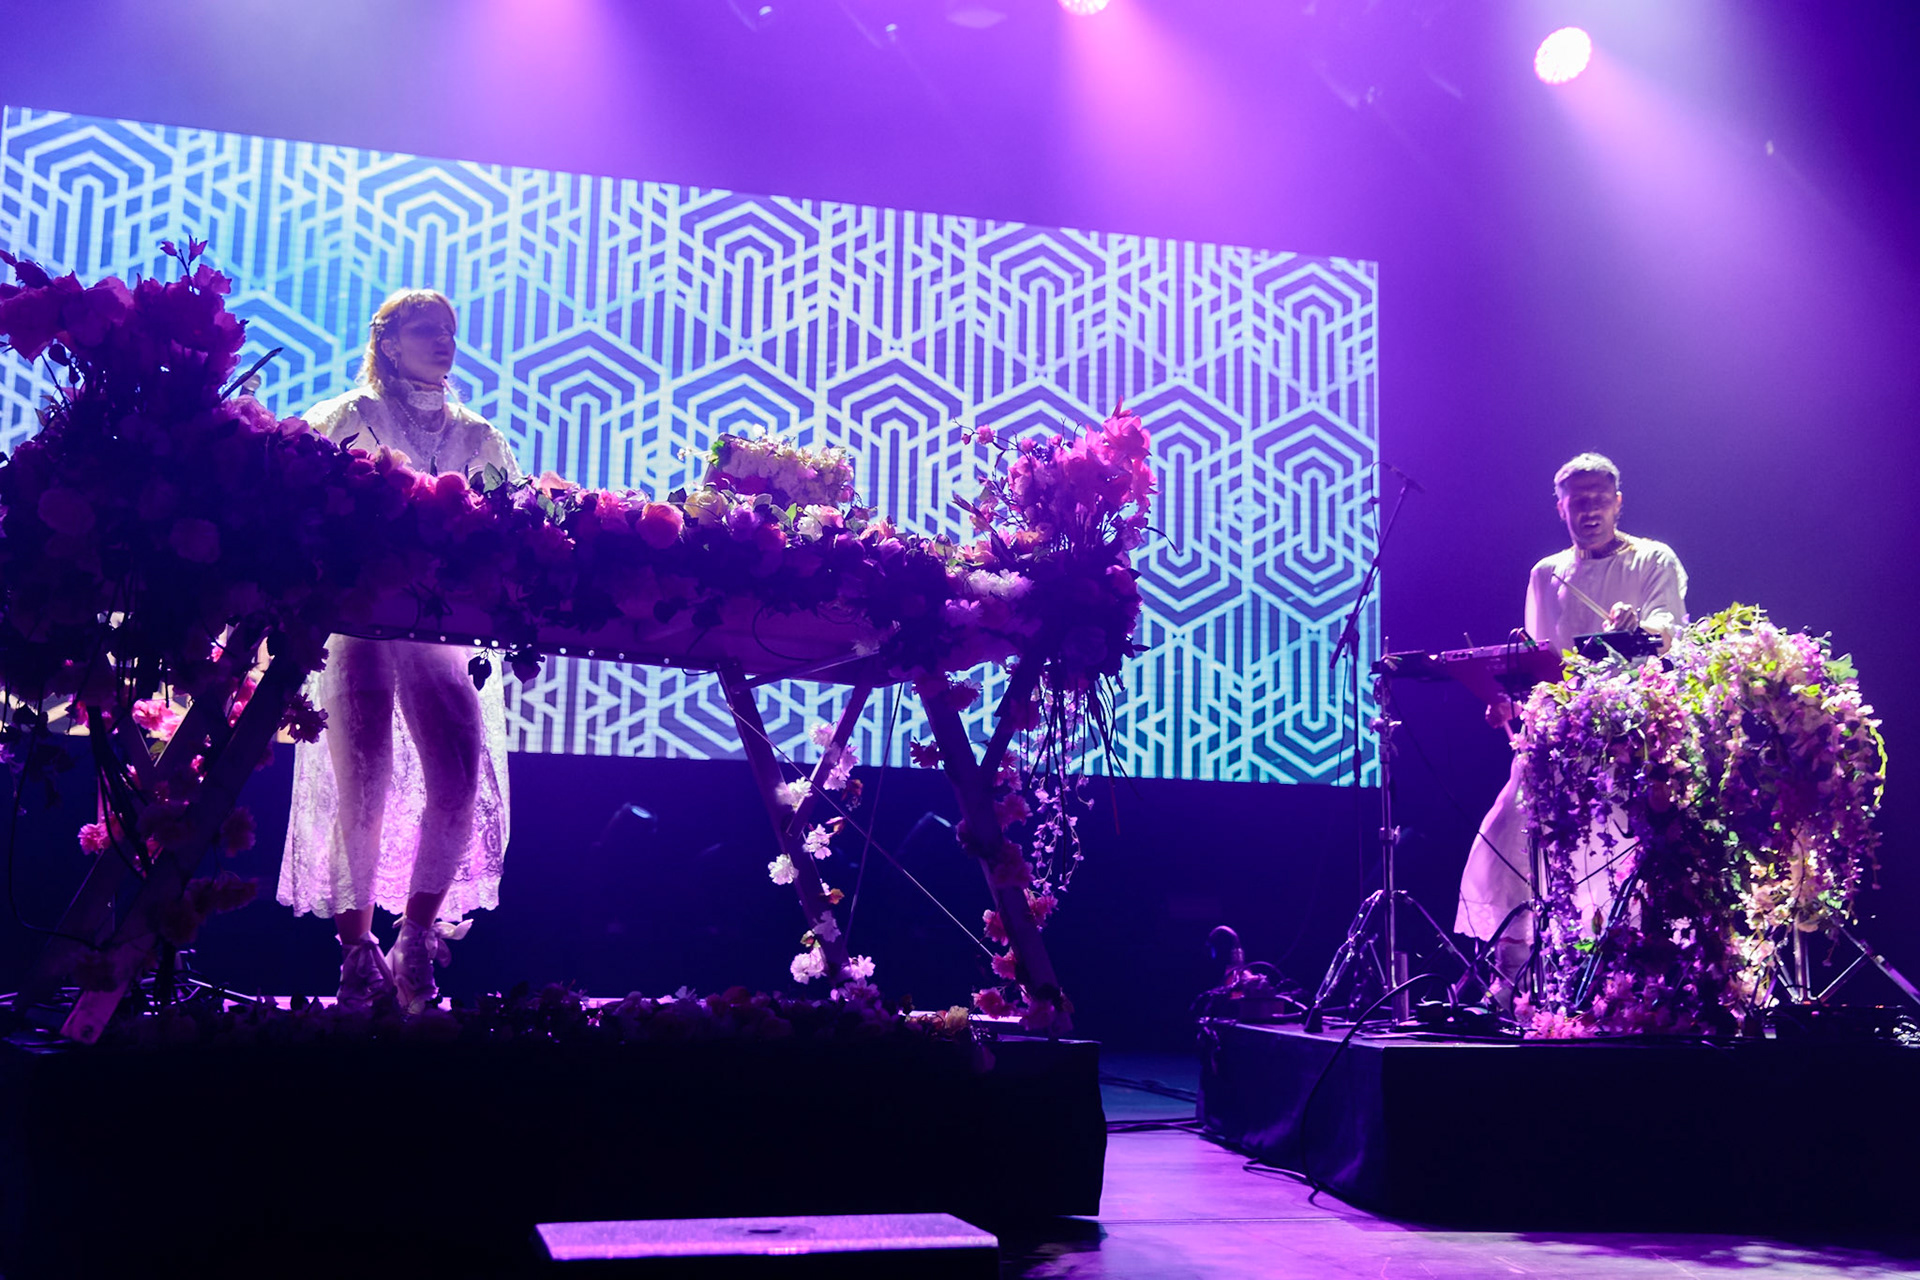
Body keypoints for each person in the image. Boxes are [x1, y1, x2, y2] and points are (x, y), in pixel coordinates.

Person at [278, 289, 521, 1013]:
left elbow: (506, 535)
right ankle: (356, 955)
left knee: (456, 777)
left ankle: (415, 937)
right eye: (426, 330)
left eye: (450, 330)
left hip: (440, 629)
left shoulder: (477, 433)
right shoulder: (352, 417)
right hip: (358, 622)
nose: (444, 341)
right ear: (387, 342)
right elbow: (304, 511)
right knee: (363, 782)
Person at [1455, 452, 1687, 997]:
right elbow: (1542, 662)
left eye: (1600, 499)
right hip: (1559, 735)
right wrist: (1509, 700)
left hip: (1629, 735)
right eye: (1578, 501)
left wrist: (1642, 626)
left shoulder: (1654, 559)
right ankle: (1509, 980)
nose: (1590, 510)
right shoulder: (1547, 573)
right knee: (1509, 836)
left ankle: (1625, 985)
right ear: (1560, 507)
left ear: (1618, 503)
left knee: (1618, 853)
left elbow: (1669, 626)